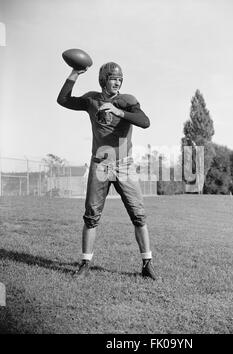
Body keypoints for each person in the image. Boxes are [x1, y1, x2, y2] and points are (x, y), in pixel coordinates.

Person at [57, 62, 158, 280]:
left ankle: (147, 264)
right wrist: (74, 73)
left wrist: (118, 111)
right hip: (100, 164)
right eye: (114, 78)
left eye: (120, 79)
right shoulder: (92, 99)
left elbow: (145, 122)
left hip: (124, 166)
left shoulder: (127, 100)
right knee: (91, 217)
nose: (118, 82)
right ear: (104, 79)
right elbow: (63, 100)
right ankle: (85, 263)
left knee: (139, 216)